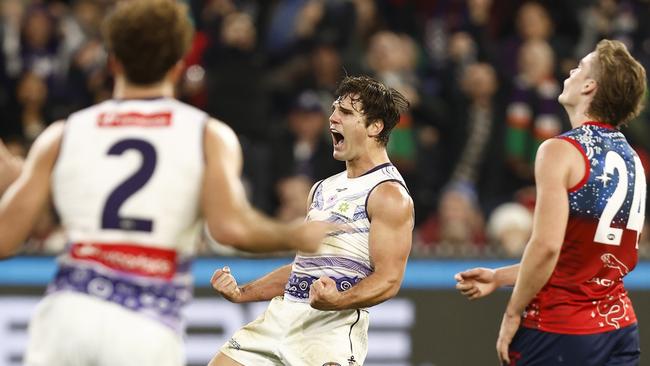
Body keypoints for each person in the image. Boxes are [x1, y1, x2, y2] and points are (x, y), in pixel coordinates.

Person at [0, 1, 335, 365]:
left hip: (68, 314)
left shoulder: (64, 133)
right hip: (147, 321)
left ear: (113, 62)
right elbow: (230, 228)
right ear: (179, 66)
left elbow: (4, 238)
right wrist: (293, 236)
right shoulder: (206, 135)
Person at [455, 39, 647, 365]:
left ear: (590, 86)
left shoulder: (559, 151)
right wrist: (500, 277)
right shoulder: (633, 159)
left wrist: (512, 312)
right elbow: (583, 259)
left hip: (559, 329)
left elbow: (546, 247)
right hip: (620, 327)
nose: (571, 71)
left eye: (580, 66)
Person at [208, 75, 414, 366]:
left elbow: (389, 279)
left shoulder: (389, 194)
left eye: (345, 112)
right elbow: (302, 268)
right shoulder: (322, 188)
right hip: (281, 318)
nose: (332, 118)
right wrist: (242, 293)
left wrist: (337, 301)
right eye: (334, 109)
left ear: (375, 126)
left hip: (329, 333)